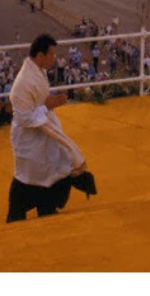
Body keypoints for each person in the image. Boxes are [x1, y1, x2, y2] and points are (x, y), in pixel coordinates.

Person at [6, 33, 96, 222]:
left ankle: (46, 208)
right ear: (40, 56)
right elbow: (24, 117)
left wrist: (53, 102)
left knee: (51, 170)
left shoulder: (38, 72)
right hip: (29, 137)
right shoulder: (23, 83)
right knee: (27, 177)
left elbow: (41, 101)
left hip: (43, 132)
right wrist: (48, 105)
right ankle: (16, 214)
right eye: (52, 55)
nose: (54, 59)